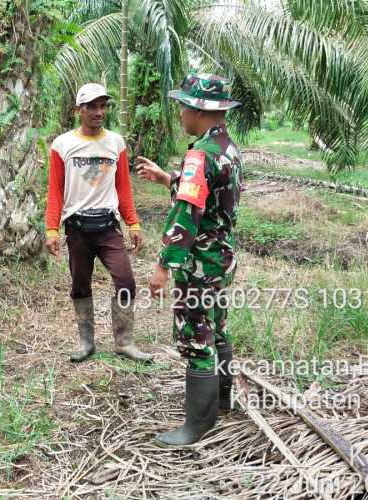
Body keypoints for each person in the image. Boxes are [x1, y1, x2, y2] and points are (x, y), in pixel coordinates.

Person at [136, 73, 243, 445]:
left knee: (196, 334)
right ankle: (224, 402)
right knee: (217, 326)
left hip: (198, 263)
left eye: (184, 106)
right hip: (222, 259)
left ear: (200, 111)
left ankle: (197, 424)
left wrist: (163, 265)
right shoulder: (227, 147)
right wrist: (167, 178)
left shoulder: (200, 155)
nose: (180, 112)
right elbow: (208, 195)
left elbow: (187, 214)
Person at [45, 83, 152, 363]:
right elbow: (55, 190)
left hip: (107, 226)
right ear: (78, 110)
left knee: (126, 281)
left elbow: (123, 188)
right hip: (78, 228)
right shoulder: (63, 144)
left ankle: (124, 342)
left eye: (103, 106)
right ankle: (86, 343)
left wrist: (134, 223)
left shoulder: (116, 143)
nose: (98, 112)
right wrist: (52, 229)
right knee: (80, 285)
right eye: (91, 106)